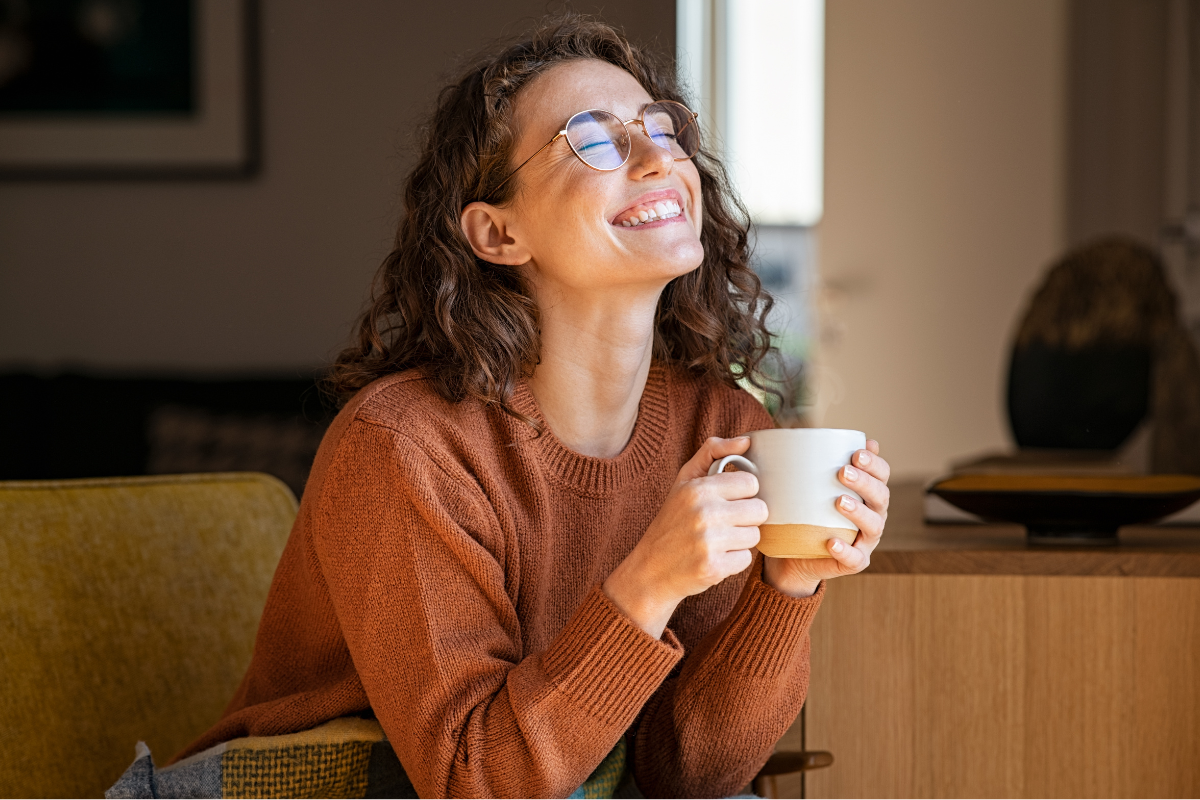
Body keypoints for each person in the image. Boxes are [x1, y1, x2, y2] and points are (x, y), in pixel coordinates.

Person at [176, 15, 891, 798]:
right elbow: (472, 780)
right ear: (497, 233)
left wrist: (786, 586)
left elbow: (686, 777)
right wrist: (647, 583)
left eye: (662, 128)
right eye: (593, 140)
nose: (658, 157)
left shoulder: (721, 429)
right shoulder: (404, 446)